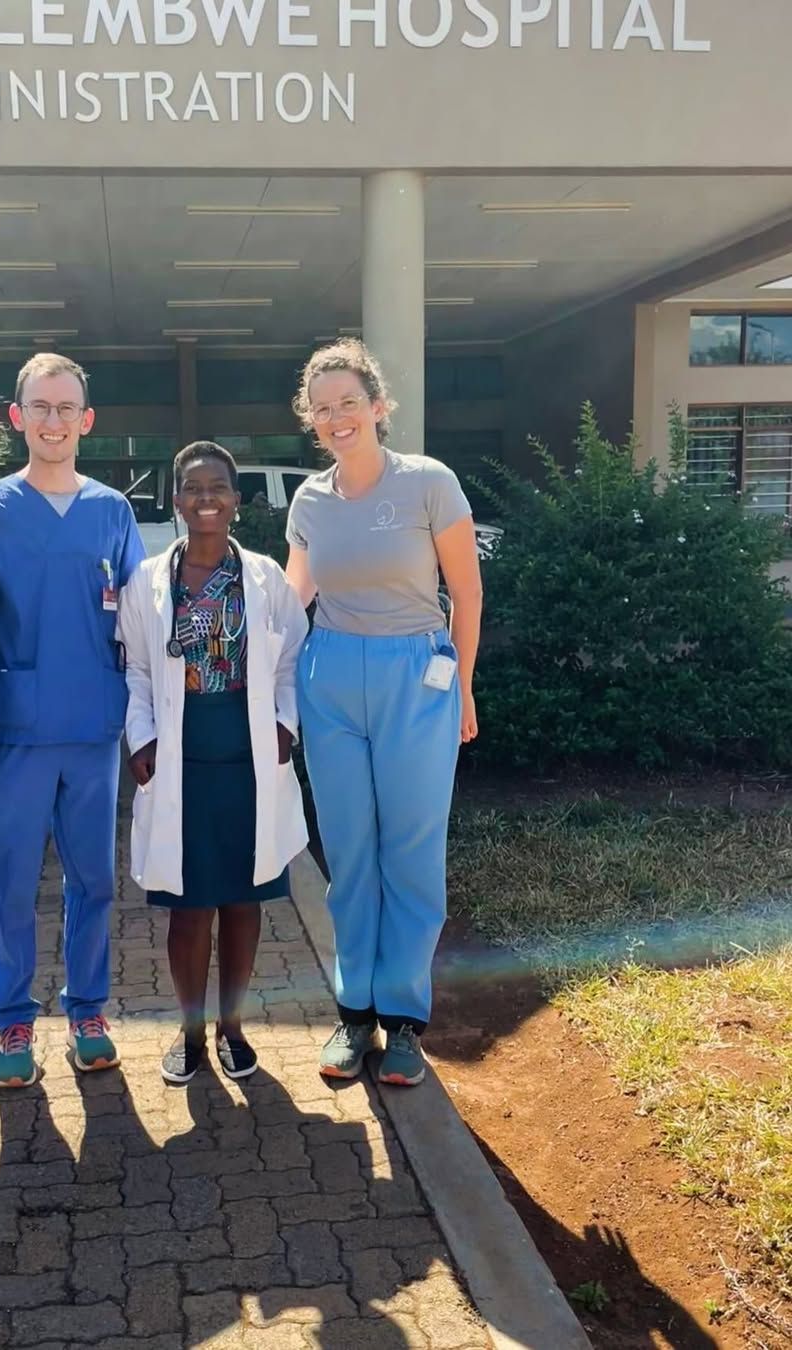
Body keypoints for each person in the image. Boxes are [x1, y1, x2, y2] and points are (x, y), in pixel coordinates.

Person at [285, 340, 483, 1088]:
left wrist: (464, 687)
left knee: (411, 849)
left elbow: (466, 592)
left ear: (377, 407)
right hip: (330, 677)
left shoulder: (429, 482)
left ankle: (402, 1020)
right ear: (311, 419)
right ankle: (354, 1013)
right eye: (322, 408)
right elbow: (295, 598)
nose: (336, 417)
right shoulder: (310, 500)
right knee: (348, 851)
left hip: (416, 677)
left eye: (348, 402)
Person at [0, 353, 145, 1087]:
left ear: (86, 420)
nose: (53, 420)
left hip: (92, 727)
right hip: (16, 730)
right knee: (12, 880)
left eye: (65, 407)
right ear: (18, 417)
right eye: (39, 407)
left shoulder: (112, 511)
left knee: (93, 879)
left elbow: (140, 617)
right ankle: (12, 1019)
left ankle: (87, 1011)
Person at [118, 442, 309, 1083]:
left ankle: (232, 1028)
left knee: (244, 898)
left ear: (236, 499)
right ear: (178, 500)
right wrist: (141, 738)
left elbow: (290, 659)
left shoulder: (265, 578)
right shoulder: (148, 581)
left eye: (218, 487)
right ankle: (191, 1032)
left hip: (250, 755)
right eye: (194, 488)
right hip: (180, 755)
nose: (207, 498)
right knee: (190, 903)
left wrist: (284, 725)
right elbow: (137, 669)